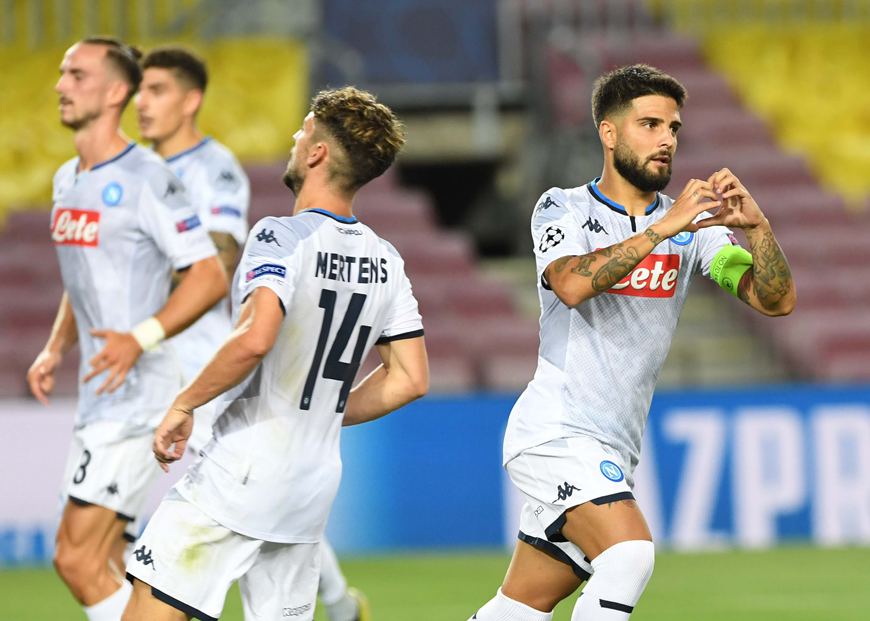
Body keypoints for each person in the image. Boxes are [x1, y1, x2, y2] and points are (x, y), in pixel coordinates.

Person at [468, 64, 796, 621]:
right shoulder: (563, 207)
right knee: (629, 556)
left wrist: (758, 229)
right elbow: (571, 283)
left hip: (614, 446)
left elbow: (775, 300)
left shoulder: (694, 230)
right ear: (609, 132)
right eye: (650, 124)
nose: (666, 139)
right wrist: (660, 230)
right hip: (555, 431)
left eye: (673, 128)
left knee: (520, 606)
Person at [123, 86, 429, 621]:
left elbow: (254, 338)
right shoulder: (387, 260)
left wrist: (185, 403)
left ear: (317, 153)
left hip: (240, 472)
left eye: (304, 129)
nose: (294, 137)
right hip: (310, 488)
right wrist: (324, 410)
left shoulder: (280, 236)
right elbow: (410, 379)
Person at [27, 37, 228, 621]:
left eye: (78, 75)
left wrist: (139, 338)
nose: (61, 86)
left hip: (137, 398)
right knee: (107, 561)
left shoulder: (148, 178)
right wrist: (55, 346)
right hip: (101, 395)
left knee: (75, 559)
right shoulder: (67, 178)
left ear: (117, 92)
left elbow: (209, 276)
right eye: (63, 73)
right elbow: (84, 276)